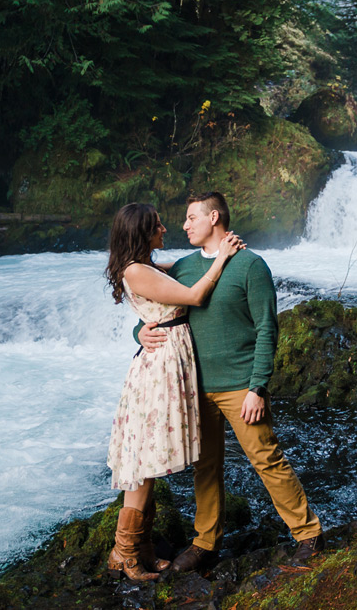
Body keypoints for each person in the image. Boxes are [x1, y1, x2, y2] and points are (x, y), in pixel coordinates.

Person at [137, 191, 324, 572]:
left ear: (215, 217)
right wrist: (138, 334)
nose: (184, 225)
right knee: (205, 467)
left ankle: (309, 535)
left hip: (240, 386)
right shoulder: (185, 268)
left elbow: (267, 330)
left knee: (266, 459)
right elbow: (154, 311)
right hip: (193, 386)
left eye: (192, 217)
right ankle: (206, 543)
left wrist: (258, 387)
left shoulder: (252, 266)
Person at [103, 202, 242, 581]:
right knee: (144, 461)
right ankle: (126, 554)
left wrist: (212, 253)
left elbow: (175, 279)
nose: (166, 229)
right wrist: (223, 257)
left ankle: (140, 549)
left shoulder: (143, 267)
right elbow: (194, 296)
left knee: (147, 460)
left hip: (167, 361)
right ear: (143, 232)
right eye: (158, 225)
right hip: (159, 367)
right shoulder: (136, 270)